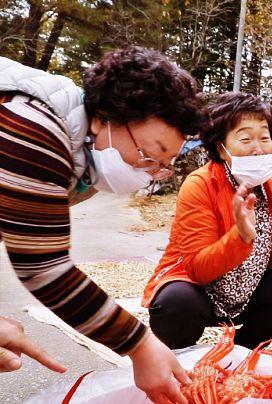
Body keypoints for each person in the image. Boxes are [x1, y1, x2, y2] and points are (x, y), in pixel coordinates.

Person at [0, 47, 207, 403]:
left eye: (161, 164)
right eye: (148, 154)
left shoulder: (78, 161)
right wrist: (140, 345)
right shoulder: (33, 126)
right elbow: (44, 267)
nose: (148, 172)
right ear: (105, 117)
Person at [143, 92, 272, 350]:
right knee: (175, 301)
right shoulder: (200, 184)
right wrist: (241, 238)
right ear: (221, 148)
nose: (258, 147)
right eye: (245, 138)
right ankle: (179, 358)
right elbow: (198, 268)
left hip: (247, 291)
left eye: (265, 138)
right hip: (200, 292)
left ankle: (243, 353)